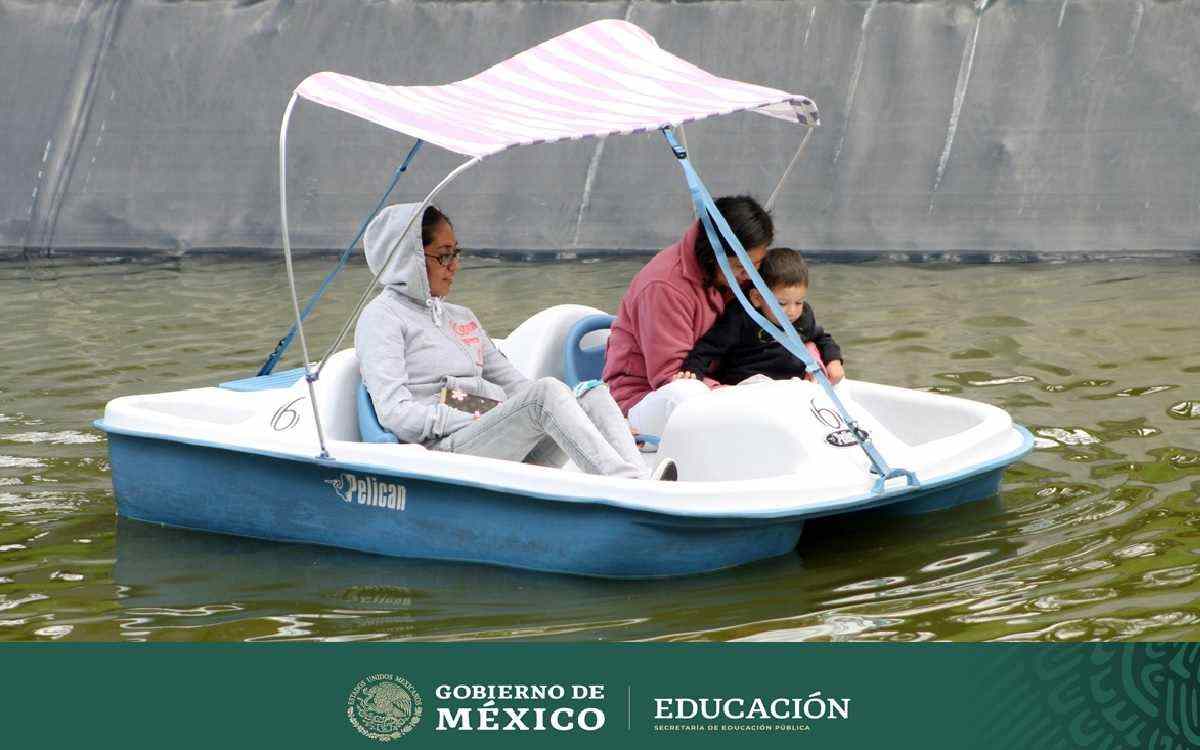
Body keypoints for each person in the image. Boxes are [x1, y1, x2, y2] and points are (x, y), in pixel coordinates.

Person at [355, 203, 676, 481]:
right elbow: (396, 415)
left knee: (592, 394)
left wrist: (589, 420)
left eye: (456, 254)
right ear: (406, 260)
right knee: (546, 393)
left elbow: (514, 384)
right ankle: (625, 487)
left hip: (491, 436)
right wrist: (480, 414)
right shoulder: (382, 318)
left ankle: (639, 480)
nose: (455, 266)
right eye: (443, 256)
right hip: (445, 452)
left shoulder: (460, 316)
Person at [601, 195, 775, 435]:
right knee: (687, 394)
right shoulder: (663, 287)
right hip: (647, 398)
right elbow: (671, 376)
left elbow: (792, 322)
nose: (749, 275)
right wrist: (736, 397)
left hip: (722, 383)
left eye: (755, 264)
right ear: (712, 256)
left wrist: (814, 363)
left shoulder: (744, 276)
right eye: (739, 266)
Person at [675, 247, 845, 385]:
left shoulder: (804, 316)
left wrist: (834, 361)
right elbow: (709, 347)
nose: (792, 311)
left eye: (799, 302)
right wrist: (691, 372)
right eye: (781, 304)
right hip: (747, 385)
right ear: (757, 298)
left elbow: (823, 338)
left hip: (790, 385)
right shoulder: (741, 317)